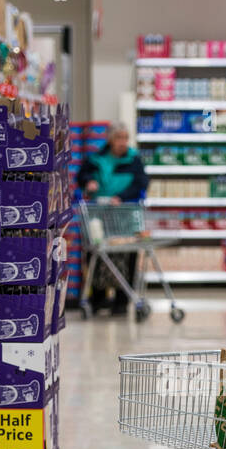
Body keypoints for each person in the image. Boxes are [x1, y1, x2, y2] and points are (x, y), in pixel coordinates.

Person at [77, 124, 149, 313]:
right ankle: (98, 298)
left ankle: (122, 300)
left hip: (126, 215)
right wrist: (88, 182)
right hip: (99, 216)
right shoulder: (96, 159)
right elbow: (82, 176)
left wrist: (123, 197)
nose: (122, 142)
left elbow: (142, 183)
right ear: (110, 140)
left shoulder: (134, 160)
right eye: (118, 138)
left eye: (125, 138)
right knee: (97, 254)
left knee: (128, 255)